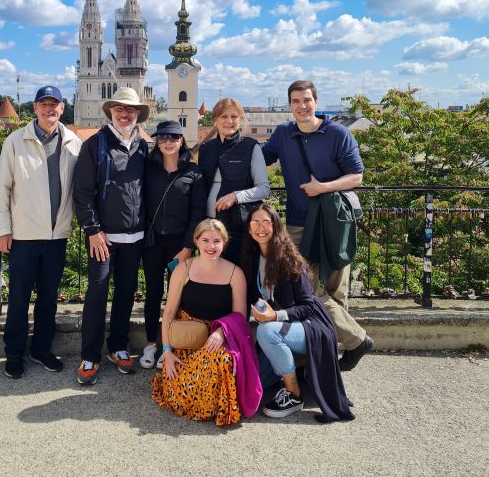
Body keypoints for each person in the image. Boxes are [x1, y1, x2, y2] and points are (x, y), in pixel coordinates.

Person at [261, 80, 372, 371]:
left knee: (337, 289)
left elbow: (356, 177)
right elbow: (260, 159)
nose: (302, 106)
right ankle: (356, 339)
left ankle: (331, 353)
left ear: (316, 101)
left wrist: (323, 187)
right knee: (304, 289)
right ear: (290, 105)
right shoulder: (284, 133)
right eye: (296, 101)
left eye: (307, 100)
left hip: (334, 222)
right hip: (299, 222)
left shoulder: (338, 133)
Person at [0, 85, 82, 379]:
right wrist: (3, 230)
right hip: (24, 236)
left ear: (62, 109)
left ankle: (41, 349)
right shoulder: (16, 141)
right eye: (43, 104)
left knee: (48, 298)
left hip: (57, 235)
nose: (49, 109)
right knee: (18, 297)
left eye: (54, 104)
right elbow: (1, 189)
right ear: (35, 108)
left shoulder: (73, 142)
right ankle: (14, 353)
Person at [243, 204, 355, 422]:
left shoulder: (291, 261)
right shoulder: (252, 260)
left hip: (310, 327)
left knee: (266, 332)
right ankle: (301, 367)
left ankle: (294, 394)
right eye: (255, 222)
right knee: (252, 385)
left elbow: (308, 305)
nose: (261, 227)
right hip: (282, 330)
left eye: (266, 222)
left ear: (276, 226)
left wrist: (275, 316)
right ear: (248, 229)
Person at [73, 87, 149, 385]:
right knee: (97, 295)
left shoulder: (143, 145)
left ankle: (118, 346)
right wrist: (92, 230)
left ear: (137, 114)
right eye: (119, 108)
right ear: (111, 112)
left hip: (135, 236)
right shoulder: (95, 144)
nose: (124, 113)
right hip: (103, 237)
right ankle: (90, 355)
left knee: (125, 295)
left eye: (130, 109)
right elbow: (82, 192)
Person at [152, 219, 261, 426]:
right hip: (187, 339)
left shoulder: (235, 273)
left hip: (218, 337)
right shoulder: (183, 269)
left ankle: (212, 404)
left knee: (221, 361)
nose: (211, 246)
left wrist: (220, 332)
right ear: (196, 242)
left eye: (217, 241)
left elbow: (240, 317)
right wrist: (166, 351)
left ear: (224, 243)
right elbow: (168, 314)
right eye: (206, 240)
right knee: (178, 392)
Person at [139, 120, 206, 369]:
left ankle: (174, 344)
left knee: (179, 295)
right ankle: (150, 344)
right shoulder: (148, 168)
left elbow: (198, 212)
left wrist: (189, 246)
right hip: (153, 241)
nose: (168, 142)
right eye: (163, 138)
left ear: (181, 141)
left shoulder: (194, 172)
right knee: (153, 293)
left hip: (181, 243)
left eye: (173, 138)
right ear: (157, 141)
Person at [199, 97, 270, 264]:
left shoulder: (250, 146)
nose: (229, 121)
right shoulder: (206, 148)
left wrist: (235, 196)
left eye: (234, 116)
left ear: (241, 120)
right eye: (223, 116)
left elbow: (263, 189)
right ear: (215, 120)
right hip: (209, 224)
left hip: (238, 225)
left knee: (239, 272)